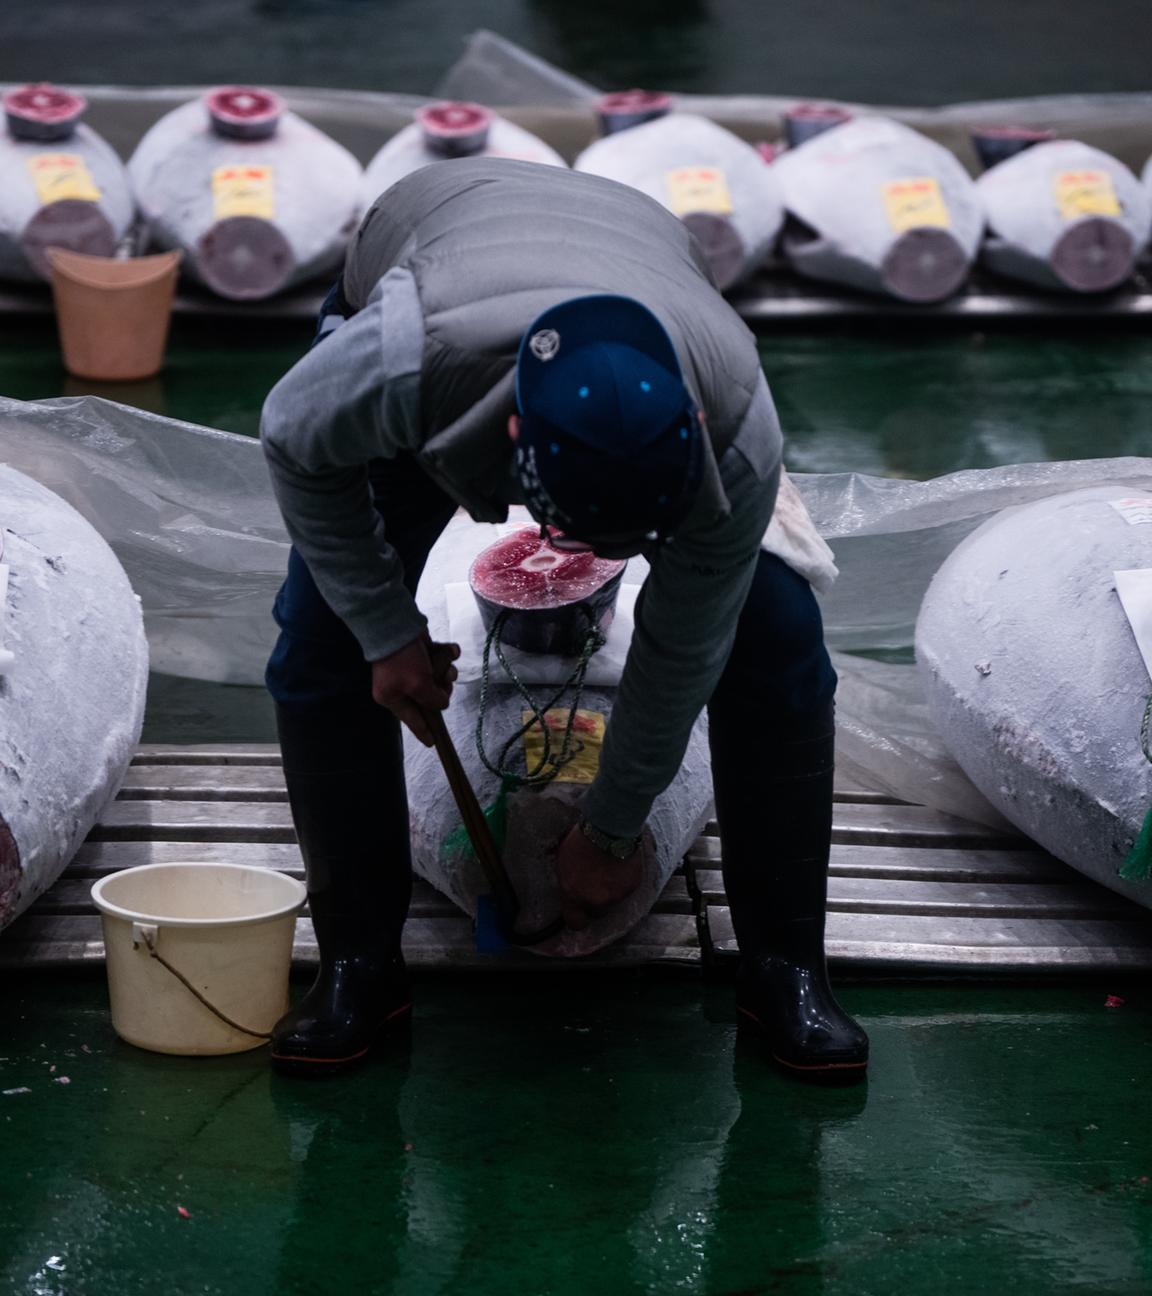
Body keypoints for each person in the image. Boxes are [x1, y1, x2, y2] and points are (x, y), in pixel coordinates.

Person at [260, 158, 868, 1080]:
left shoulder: (736, 425)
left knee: (780, 650)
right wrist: (384, 631)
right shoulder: (401, 360)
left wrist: (612, 830)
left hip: (638, 250)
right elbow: (296, 445)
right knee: (317, 652)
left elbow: (683, 642)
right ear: (512, 447)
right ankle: (358, 964)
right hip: (440, 250)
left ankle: (785, 968)